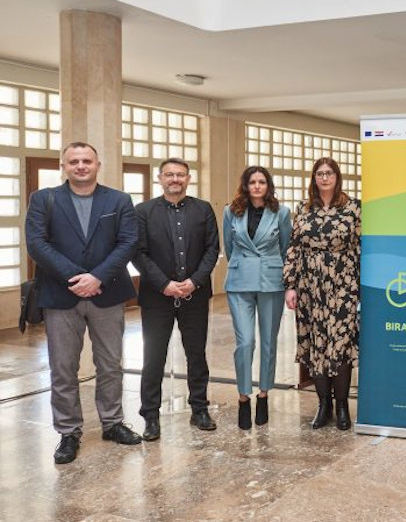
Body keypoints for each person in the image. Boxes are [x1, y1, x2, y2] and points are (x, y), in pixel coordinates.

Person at [25, 141, 141, 464]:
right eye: (74, 161)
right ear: (63, 166)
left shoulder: (118, 200)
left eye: (86, 160)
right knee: (63, 367)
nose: (80, 166)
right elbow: (36, 244)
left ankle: (113, 423)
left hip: (108, 292)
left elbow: (128, 242)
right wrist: (78, 277)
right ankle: (68, 432)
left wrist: (98, 277)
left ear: (97, 165)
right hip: (61, 294)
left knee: (111, 364)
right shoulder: (44, 199)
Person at [132, 158, 219, 440]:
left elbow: (212, 249)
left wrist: (194, 281)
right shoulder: (143, 211)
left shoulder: (203, 209)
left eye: (180, 175)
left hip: (195, 295)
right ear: (160, 178)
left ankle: (199, 409)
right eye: (169, 174)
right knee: (153, 357)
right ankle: (151, 415)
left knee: (196, 354)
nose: (175, 179)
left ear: (188, 179)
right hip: (157, 297)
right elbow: (138, 253)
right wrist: (165, 284)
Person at [284, 157, 360, 430]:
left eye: (329, 173)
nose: (325, 178)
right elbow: (294, 247)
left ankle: (342, 406)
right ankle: (323, 404)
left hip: (343, 285)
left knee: (339, 345)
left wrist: (362, 287)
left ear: (337, 177)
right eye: (320, 173)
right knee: (317, 346)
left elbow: (360, 246)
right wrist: (290, 285)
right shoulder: (303, 209)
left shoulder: (353, 208)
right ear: (314, 178)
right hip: (310, 287)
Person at [223, 166, 291, 430]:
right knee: (245, 342)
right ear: (246, 185)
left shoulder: (281, 212)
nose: (257, 186)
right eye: (252, 182)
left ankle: (264, 394)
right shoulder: (231, 211)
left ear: (268, 185)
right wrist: (244, 264)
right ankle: (243, 396)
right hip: (239, 280)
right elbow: (229, 248)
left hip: (271, 280)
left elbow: (285, 248)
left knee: (269, 342)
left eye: (262, 182)